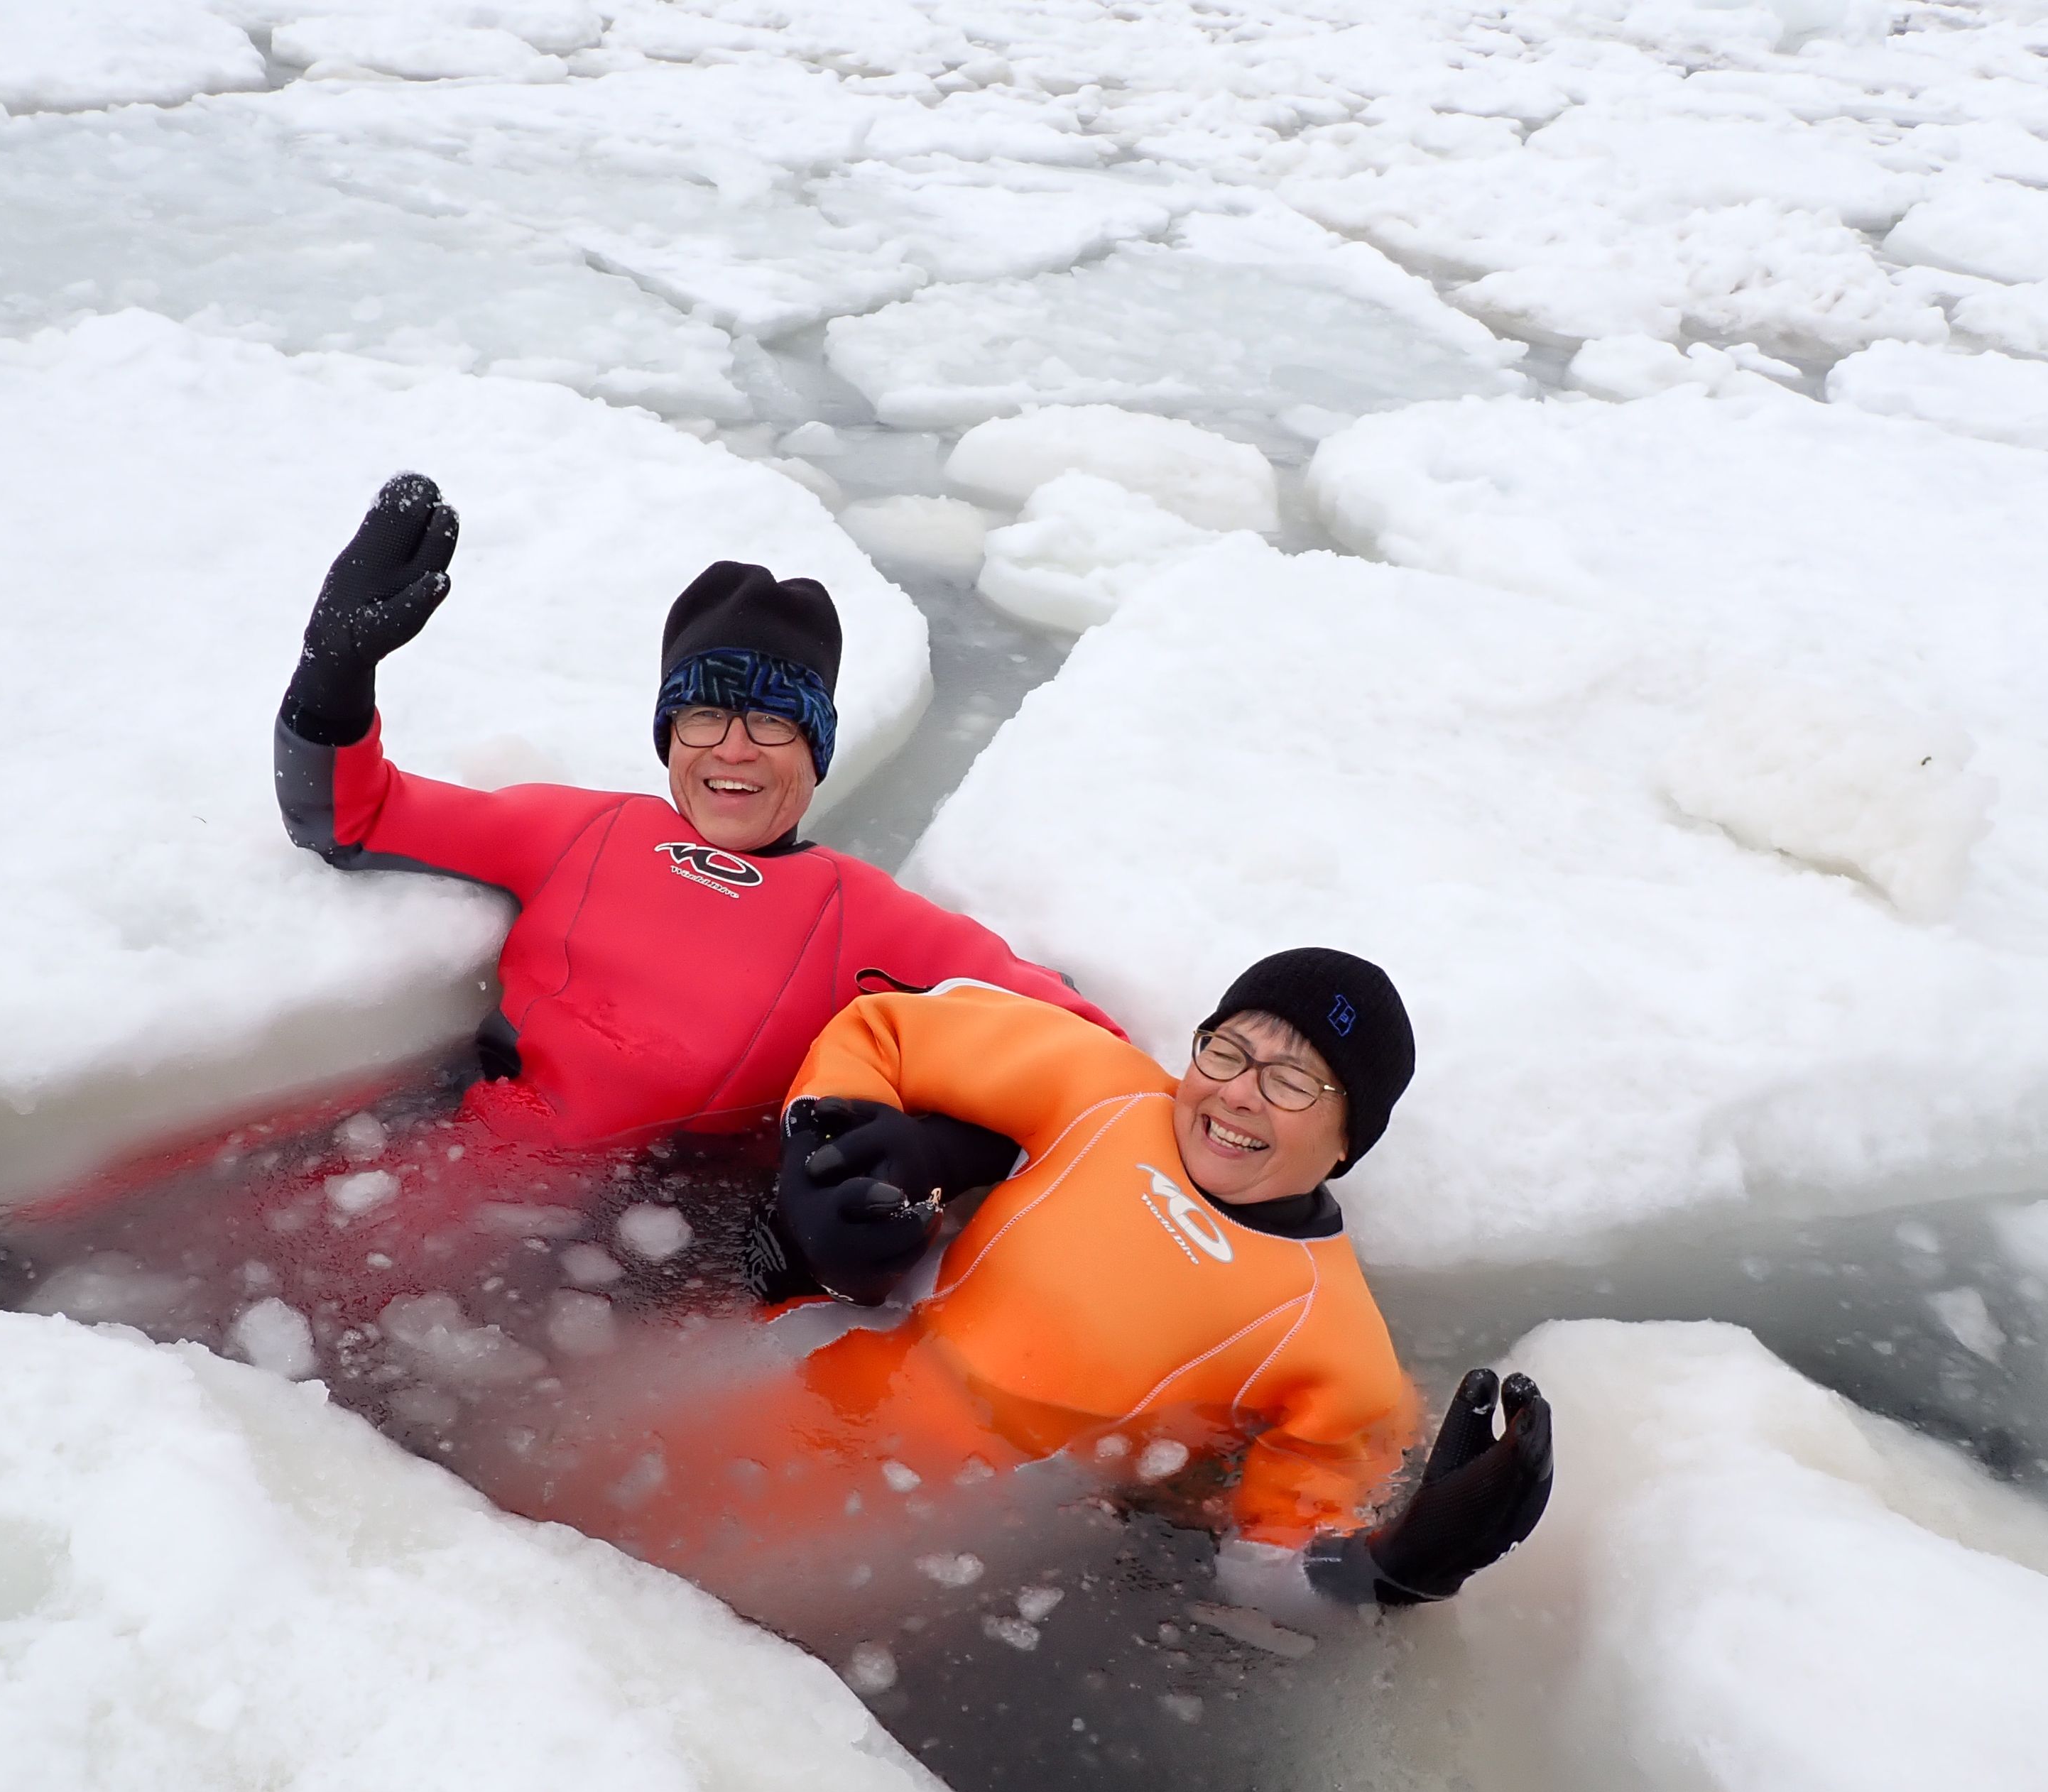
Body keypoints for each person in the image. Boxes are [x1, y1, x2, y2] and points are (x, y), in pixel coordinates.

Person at [564, 950, 1551, 1612]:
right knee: (525, 1533)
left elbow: (1263, 1567)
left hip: (952, 1521)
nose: (1239, 1093)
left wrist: (1396, 1569)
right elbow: (886, 1031)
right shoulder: (1107, 1093)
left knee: (673, 1651)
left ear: (1348, 1142)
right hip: (802, 1361)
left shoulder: (1334, 1342)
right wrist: (824, 1159)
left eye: (1293, 1082)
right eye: (1229, 1050)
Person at [271, 472, 1125, 1153]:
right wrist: (333, 675)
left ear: (816, 747)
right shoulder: (582, 832)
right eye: (705, 716)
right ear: (669, 734)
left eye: (772, 721)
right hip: (440, 1151)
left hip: (626, 1247)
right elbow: (350, 817)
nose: (734, 749)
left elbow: (1079, 1039)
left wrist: (939, 1150)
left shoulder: (860, 914)